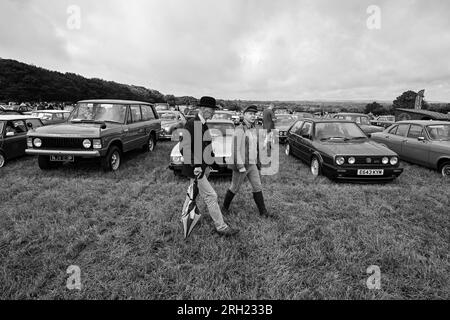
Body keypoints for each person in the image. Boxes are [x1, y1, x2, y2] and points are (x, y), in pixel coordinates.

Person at [180, 96, 239, 237]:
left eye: (213, 110)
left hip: (203, 167)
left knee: (192, 193)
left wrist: (211, 162)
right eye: (212, 109)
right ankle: (221, 227)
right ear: (203, 109)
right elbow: (184, 148)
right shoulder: (191, 124)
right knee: (211, 196)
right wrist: (196, 166)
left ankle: (185, 216)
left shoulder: (203, 123)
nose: (213, 112)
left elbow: (205, 146)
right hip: (196, 169)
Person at [222, 105, 274, 218]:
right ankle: (224, 208)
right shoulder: (239, 129)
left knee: (257, 186)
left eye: (254, 114)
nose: (253, 116)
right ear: (244, 115)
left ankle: (263, 212)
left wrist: (257, 161)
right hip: (241, 165)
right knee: (234, 187)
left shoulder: (253, 129)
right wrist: (240, 166)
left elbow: (254, 147)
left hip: (252, 164)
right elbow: (235, 150)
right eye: (250, 113)